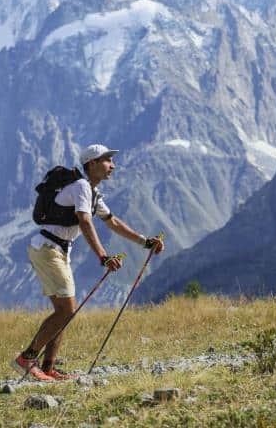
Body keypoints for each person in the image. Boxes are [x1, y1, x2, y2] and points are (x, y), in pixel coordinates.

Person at [12, 144, 165, 381]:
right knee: (67, 310)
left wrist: (145, 242)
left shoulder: (92, 192)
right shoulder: (82, 186)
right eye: (107, 160)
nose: (113, 165)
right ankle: (26, 358)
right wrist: (103, 257)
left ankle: (48, 368)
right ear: (92, 164)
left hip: (54, 250)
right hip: (47, 249)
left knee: (64, 312)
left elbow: (113, 222)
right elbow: (84, 221)